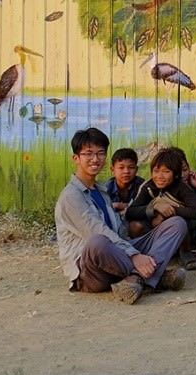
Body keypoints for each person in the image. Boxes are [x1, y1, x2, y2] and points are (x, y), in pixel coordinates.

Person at [54, 128, 187, 305]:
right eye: (88, 154)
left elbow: (120, 232)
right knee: (98, 242)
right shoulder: (71, 196)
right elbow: (97, 232)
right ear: (76, 158)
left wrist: (150, 224)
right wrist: (134, 255)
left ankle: (136, 279)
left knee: (177, 223)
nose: (95, 159)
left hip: (117, 253)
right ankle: (156, 276)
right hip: (91, 270)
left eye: (100, 153)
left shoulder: (101, 191)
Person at [125, 147, 196, 271]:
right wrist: (155, 208)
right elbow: (130, 212)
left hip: (183, 232)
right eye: (156, 171)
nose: (160, 176)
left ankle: (185, 253)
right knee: (134, 226)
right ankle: (146, 253)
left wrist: (171, 211)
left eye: (166, 171)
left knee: (179, 221)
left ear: (175, 174)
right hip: (155, 230)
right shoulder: (149, 187)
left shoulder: (182, 188)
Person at [102, 148, 143, 216]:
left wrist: (119, 206)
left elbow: (147, 208)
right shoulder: (105, 189)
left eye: (131, 167)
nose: (126, 171)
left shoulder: (142, 186)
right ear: (112, 170)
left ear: (136, 169)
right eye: (121, 168)